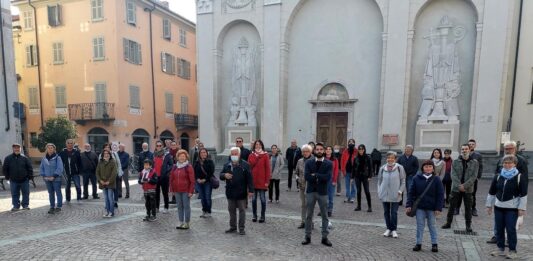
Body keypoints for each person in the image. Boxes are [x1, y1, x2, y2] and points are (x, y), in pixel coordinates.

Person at [486, 154, 528, 260]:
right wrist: (489, 205)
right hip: (498, 206)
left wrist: (521, 209)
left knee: (510, 229)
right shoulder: (498, 175)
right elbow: (492, 191)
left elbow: (523, 194)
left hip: (512, 208)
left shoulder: (519, 176)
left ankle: (512, 250)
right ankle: (500, 249)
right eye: (505, 162)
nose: (507, 164)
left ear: (514, 164)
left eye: (510, 162)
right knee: (499, 229)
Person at [406, 160, 444, 252]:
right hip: (420, 207)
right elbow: (411, 193)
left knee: (432, 226)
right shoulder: (416, 178)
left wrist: (438, 208)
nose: (428, 168)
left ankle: (434, 244)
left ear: (433, 168)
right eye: (426, 166)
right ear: (422, 168)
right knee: (420, 226)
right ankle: (418, 243)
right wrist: (408, 204)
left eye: (430, 166)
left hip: (432, 207)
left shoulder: (436, 179)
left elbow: (440, 194)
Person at [441, 144, 479, 232]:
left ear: (469, 150)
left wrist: (464, 186)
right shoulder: (455, 162)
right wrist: (459, 185)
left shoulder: (475, 162)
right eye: (462, 149)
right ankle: (448, 223)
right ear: (461, 150)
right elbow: (453, 175)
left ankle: (468, 225)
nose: (464, 151)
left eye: (466, 149)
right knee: (451, 207)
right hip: (456, 189)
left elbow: (474, 176)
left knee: (468, 208)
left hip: (468, 189)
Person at [301, 143, 333, 247]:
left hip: (322, 192)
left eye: (321, 149)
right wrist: (319, 177)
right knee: (309, 215)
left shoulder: (329, 163)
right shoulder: (309, 163)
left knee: (324, 215)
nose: (319, 151)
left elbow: (327, 177)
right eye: (317, 149)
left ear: (324, 151)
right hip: (311, 192)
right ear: (314, 151)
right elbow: (307, 176)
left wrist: (316, 175)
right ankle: (307, 236)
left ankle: (324, 237)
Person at [220, 147, 254, 235]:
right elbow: (220, 175)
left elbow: (249, 179)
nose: (234, 155)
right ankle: (233, 227)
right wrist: (224, 175)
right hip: (230, 192)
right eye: (232, 154)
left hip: (241, 192)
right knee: (231, 210)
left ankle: (241, 228)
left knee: (242, 211)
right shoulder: (227, 164)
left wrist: (251, 190)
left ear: (239, 154)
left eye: (235, 154)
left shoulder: (245, 165)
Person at [377, 151, 406, 238]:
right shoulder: (382, 168)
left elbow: (403, 181)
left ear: (395, 159)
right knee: (386, 212)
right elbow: (379, 180)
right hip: (384, 193)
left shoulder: (399, 168)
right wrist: (379, 191)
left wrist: (400, 191)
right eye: (389, 157)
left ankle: (394, 230)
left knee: (394, 212)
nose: (390, 159)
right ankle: (388, 228)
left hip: (395, 194)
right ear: (386, 159)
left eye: (392, 158)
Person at [3, 143, 33, 211]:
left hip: (24, 180)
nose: (17, 149)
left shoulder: (25, 158)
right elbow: (5, 169)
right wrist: (7, 177)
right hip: (13, 180)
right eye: (15, 148)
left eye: (18, 148)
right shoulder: (8, 158)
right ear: (13, 149)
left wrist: (29, 177)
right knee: (14, 194)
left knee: (26, 193)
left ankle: (25, 205)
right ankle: (16, 206)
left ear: (20, 149)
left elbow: (29, 168)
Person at [170, 150, 195, 229]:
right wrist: (172, 190)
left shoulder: (188, 167)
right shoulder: (175, 166)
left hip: (186, 190)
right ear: (177, 157)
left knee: (186, 206)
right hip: (177, 190)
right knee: (179, 207)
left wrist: (191, 191)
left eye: (183, 156)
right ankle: (181, 222)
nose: (181, 157)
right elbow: (171, 179)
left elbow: (192, 180)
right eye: (180, 156)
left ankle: (187, 223)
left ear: (186, 157)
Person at [248, 139, 271, 223]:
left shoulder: (265, 155)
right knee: (253, 200)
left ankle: (262, 216)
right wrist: (256, 156)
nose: (257, 146)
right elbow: (249, 167)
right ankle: (254, 215)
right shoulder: (251, 155)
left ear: (262, 145)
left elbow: (268, 169)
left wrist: (267, 181)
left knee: (263, 199)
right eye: (256, 144)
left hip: (262, 181)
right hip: (253, 181)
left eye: (259, 144)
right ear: (254, 146)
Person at [40, 143, 64, 214]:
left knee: (58, 192)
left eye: (51, 148)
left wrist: (53, 176)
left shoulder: (57, 158)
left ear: (54, 149)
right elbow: (41, 168)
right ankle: (52, 206)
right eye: (48, 148)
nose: (50, 149)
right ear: (46, 149)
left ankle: (59, 206)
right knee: (51, 193)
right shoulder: (44, 159)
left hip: (56, 179)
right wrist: (44, 176)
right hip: (47, 179)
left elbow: (60, 168)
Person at [295, 144, 314, 229]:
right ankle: (303, 221)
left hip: (311, 187)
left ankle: (310, 222)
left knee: (310, 205)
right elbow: (296, 172)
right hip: (302, 186)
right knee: (303, 205)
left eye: (307, 151)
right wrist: (297, 178)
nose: (305, 153)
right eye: (304, 151)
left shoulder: (314, 160)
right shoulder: (300, 161)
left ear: (310, 152)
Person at [153, 140, 174, 213]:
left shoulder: (167, 154)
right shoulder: (154, 154)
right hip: (156, 177)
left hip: (164, 177)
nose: (158, 147)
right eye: (157, 145)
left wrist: (166, 172)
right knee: (156, 193)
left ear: (162, 146)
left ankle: (166, 207)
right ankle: (156, 208)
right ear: (155, 146)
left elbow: (171, 165)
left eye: (160, 145)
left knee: (165, 193)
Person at [96, 149, 118, 218]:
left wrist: (109, 181)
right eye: (105, 153)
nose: (106, 154)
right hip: (102, 183)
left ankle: (111, 212)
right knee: (106, 198)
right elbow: (97, 172)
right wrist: (100, 180)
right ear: (103, 154)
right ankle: (107, 212)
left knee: (110, 198)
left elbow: (114, 173)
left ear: (110, 154)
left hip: (110, 183)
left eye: (107, 153)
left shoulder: (113, 162)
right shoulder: (100, 162)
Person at [194, 148, 215, 218]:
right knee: (202, 198)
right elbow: (194, 172)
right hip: (199, 182)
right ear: (199, 154)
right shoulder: (197, 162)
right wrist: (197, 179)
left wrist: (205, 179)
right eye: (201, 153)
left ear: (207, 153)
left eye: (204, 152)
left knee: (207, 197)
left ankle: (208, 211)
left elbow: (211, 172)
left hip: (207, 182)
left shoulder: (210, 162)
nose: (203, 154)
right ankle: (204, 210)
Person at [353, 144, 373, 212]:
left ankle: (369, 207)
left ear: (364, 150)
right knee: (358, 191)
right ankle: (359, 206)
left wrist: (370, 176)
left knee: (367, 191)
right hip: (357, 176)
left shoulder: (368, 157)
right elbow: (354, 168)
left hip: (365, 176)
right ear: (358, 150)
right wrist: (352, 177)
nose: (361, 151)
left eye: (362, 149)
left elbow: (370, 167)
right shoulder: (356, 158)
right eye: (359, 149)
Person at [321, 146, 338, 217]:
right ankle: (323, 210)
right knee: (322, 196)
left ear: (332, 151)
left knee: (330, 196)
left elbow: (336, 171)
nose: (328, 150)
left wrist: (334, 180)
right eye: (327, 149)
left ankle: (329, 210)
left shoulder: (335, 160)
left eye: (329, 149)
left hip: (331, 180)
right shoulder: (322, 159)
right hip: (323, 179)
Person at [468, 139, 483, 217]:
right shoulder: (464, 153)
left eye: (472, 144)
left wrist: (478, 176)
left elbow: (480, 166)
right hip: (464, 178)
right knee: (460, 194)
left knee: (473, 194)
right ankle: (457, 208)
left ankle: (473, 208)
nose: (471, 145)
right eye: (469, 144)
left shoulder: (478, 155)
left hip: (474, 178)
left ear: (475, 145)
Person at [340, 139, 357, 203]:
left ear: (354, 143)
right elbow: (342, 160)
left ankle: (352, 196)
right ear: (348, 143)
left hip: (354, 171)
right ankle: (347, 196)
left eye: (352, 142)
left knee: (353, 184)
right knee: (347, 185)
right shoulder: (345, 151)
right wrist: (342, 169)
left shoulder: (356, 151)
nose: (351, 143)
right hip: (346, 170)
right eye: (350, 142)